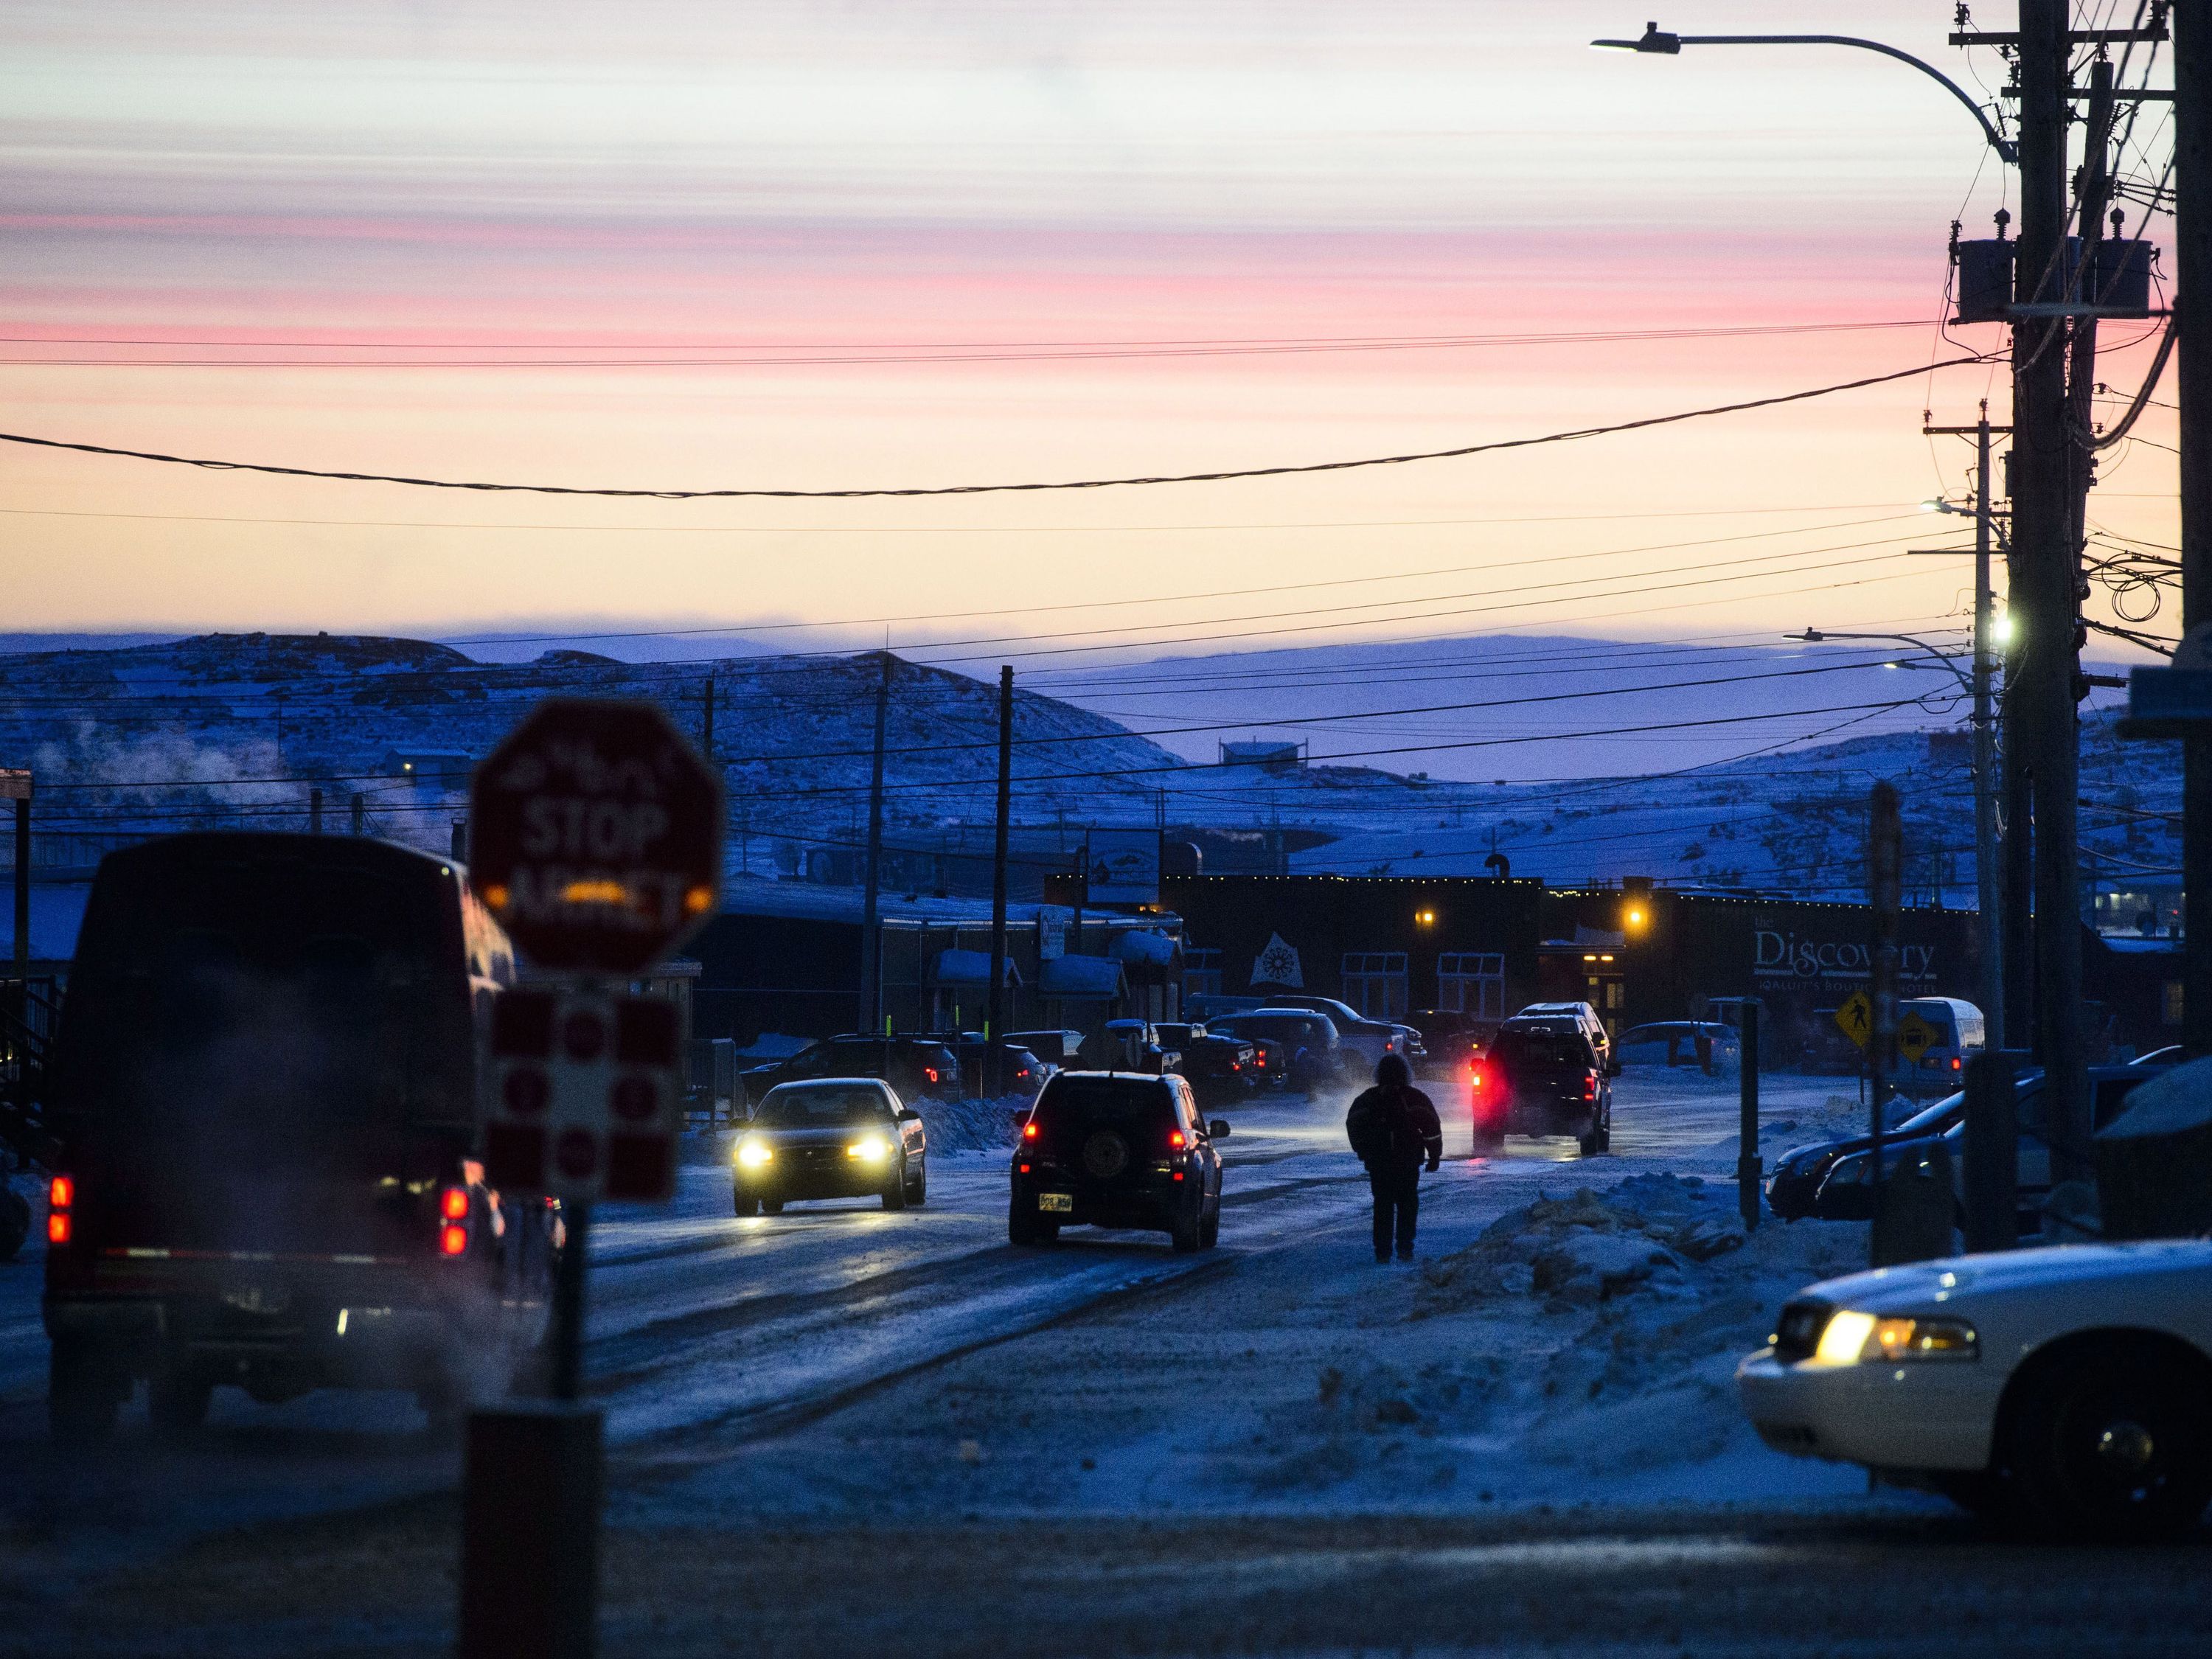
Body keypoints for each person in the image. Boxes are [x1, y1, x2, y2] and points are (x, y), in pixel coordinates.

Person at [1344, 1053, 1441, 1263]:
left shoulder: (1368, 1099)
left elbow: (1353, 1124)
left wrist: (1362, 1149)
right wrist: (1434, 1155)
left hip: (1379, 1164)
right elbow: (1432, 1128)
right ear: (1406, 1073)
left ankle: (1383, 1252)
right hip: (1408, 1163)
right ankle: (1405, 1249)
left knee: (1383, 1207)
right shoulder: (1416, 1098)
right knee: (1407, 1206)